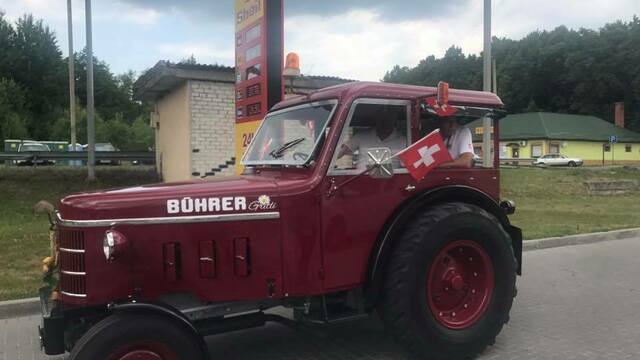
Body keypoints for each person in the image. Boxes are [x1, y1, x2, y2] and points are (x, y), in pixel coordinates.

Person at [337, 108, 406, 169]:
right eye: (381, 118)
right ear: (376, 119)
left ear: (394, 119)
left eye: (388, 118)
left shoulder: (405, 141)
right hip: (360, 180)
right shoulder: (361, 136)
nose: (384, 122)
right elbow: (338, 153)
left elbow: (408, 167)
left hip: (391, 182)